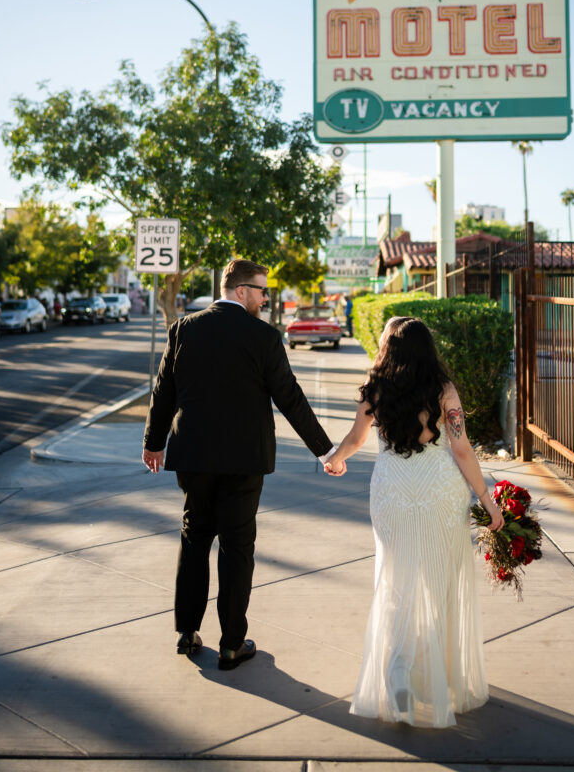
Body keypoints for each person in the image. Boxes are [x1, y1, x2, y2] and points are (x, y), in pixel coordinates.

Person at [142, 259, 342, 671]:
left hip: (193, 459)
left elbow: (163, 391)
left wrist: (153, 443)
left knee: (194, 538)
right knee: (236, 548)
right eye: (262, 291)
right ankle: (232, 644)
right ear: (239, 291)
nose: (266, 298)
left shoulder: (183, 329)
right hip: (243, 462)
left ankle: (187, 631)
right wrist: (324, 452)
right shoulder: (263, 337)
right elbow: (290, 397)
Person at [325, 315, 504, 728]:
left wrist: (335, 459)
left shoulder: (375, 388)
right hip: (440, 491)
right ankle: (429, 676)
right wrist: (487, 500)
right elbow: (461, 449)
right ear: (428, 349)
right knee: (437, 583)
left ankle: (399, 673)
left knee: (396, 579)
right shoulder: (444, 391)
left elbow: (355, 438)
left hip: (392, 491)